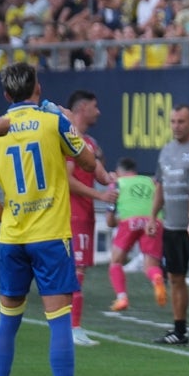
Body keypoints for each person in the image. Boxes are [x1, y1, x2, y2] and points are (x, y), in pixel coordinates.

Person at [0, 63, 97, 376]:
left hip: (12, 235)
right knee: (58, 318)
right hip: (50, 235)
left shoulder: (0, 129)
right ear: (37, 88)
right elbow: (87, 160)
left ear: (7, 95)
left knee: (7, 318)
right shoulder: (52, 121)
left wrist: (7, 215)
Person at [152, 104, 189, 345]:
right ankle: (179, 330)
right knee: (175, 278)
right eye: (173, 121)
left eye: (181, 122)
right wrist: (152, 216)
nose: (176, 126)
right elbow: (160, 186)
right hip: (171, 226)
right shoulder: (166, 150)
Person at [65, 89, 113, 347]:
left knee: (75, 271)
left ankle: (70, 326)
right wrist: (99, 194)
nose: (99, 111)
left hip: (84, 215)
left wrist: (112, 181)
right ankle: (73, 327)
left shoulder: (90, 142)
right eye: (95, 106)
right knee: (76, 271)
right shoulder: (70, 139)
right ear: (82, 108)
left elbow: (100, 172)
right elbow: (67, 178)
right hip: (73, 214)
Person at [106, 158, 166, 313]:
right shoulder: (150, 181)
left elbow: (110, 221)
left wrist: (115, 219)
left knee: (116, 261)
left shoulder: (117, 185)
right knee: (151, 266)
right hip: (154, 221)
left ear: (119, 172)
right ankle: (157, 279)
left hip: (130, 222)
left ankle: (122, 298)